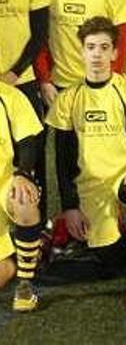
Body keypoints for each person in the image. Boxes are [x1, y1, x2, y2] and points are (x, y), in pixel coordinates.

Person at [45, 16, 126, 305]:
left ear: (115, 53)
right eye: (91, 47)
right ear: (81, 51)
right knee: (110, 260)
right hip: (90, 187)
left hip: (124, 175)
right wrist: (70, 207)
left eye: (104, 47)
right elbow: (63, 160)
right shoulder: (68, 99)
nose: (97, 54)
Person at [0, 0, 50, 220]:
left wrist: (14, 72)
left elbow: (40, 34)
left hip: (22, 82)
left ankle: (37, 225)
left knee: (32, 155)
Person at [0, 81, 43, 312]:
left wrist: (22, 174)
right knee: (5, 268)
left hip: (4, 186)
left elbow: (28, 144)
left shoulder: (10, 97)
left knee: (24, 198)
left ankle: (25, 284)